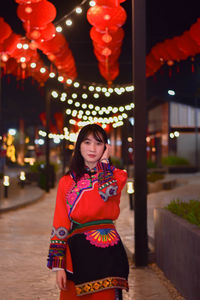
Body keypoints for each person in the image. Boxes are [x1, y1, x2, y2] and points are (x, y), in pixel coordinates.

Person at [47, 124, 129, 300]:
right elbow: (60, 223)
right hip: (75, 254)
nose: (92, 148)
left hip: (106, 251)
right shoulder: (66, 182)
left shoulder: (117, 175)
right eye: (87, 142)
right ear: (79, 146)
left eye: (99, 144)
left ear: (106, 148)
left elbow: (108, 192)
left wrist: (105, 163)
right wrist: (59, 265)